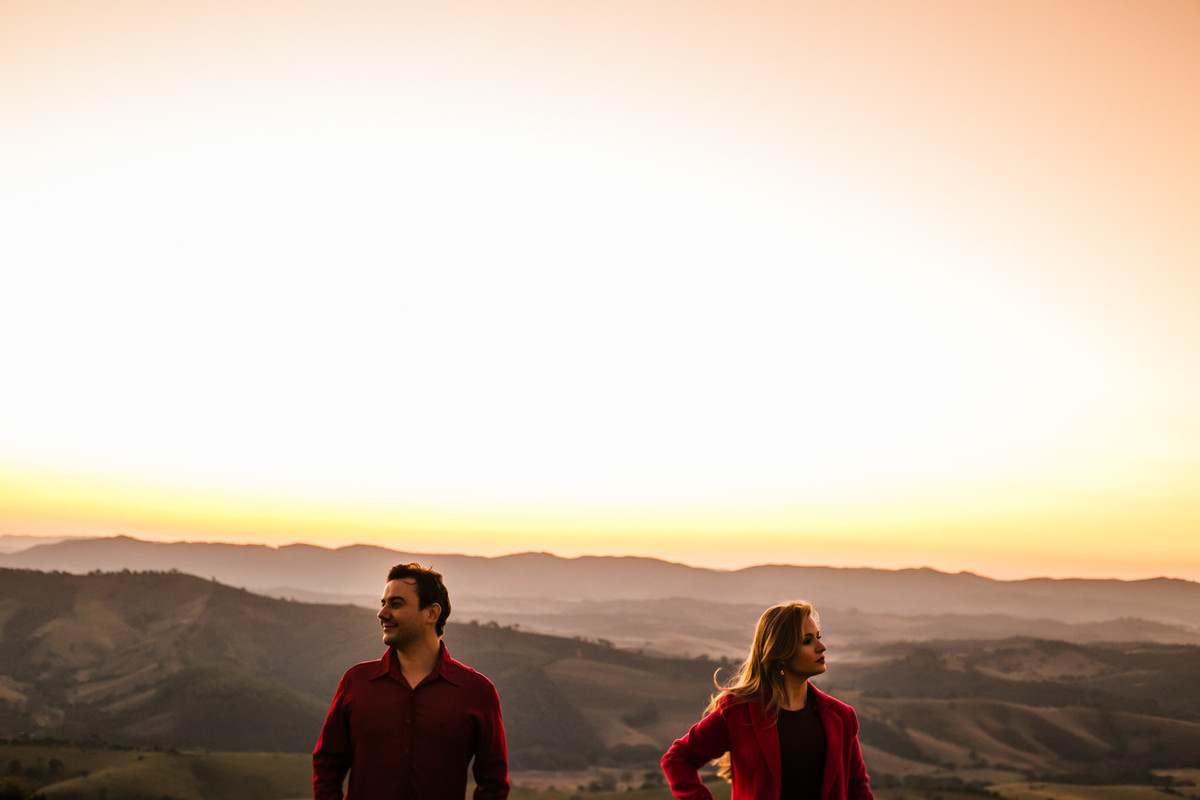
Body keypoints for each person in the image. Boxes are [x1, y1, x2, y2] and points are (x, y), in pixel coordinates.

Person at [313, 562, 510, 800]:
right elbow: (327, 763)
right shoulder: (356, 682)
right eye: (383, 603)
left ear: (431, 613)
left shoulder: (476, 691)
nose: (382, 613)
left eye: (396, 604)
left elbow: (493, 782)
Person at [661, 601, 872, 800]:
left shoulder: (842, 716)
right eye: (807, 640)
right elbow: (678, 758)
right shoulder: (738, 711)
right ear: (780, 653)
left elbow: (857, 788)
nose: (821, 646)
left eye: (818, 636)